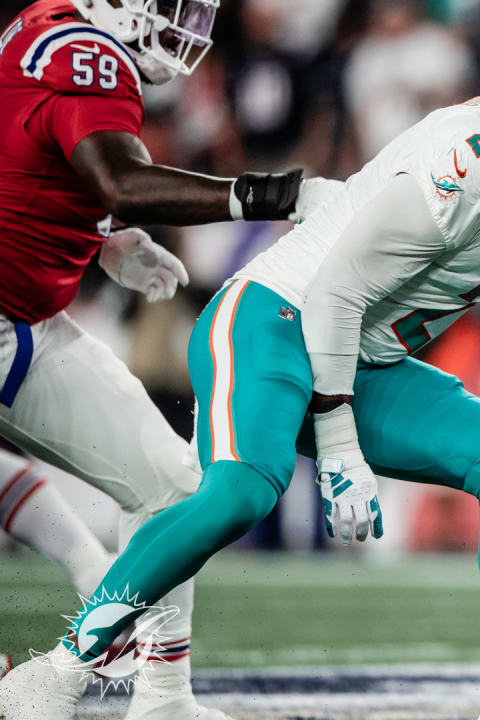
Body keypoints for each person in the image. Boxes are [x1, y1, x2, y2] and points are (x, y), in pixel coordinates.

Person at [0, 8, 480, 720]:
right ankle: (61, 671)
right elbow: (336, 289)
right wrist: (339, 447)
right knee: (241, 490)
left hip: (362, 355)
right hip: (272, 321)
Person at [0, 0, 336, 717]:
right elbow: (117, 176)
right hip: (10, 319)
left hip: (25, 319)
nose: (183, 23)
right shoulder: (89, 54)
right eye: (167, 4)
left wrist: (105, 236)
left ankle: (164, 697)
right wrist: (270, 194)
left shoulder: (42, 27)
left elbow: (33, 158)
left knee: (173, 488)